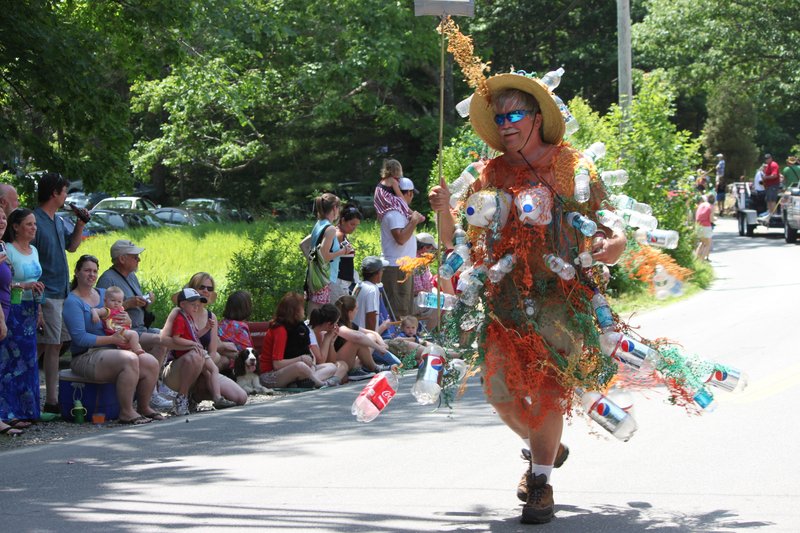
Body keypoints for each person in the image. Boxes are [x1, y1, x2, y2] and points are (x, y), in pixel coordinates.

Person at [429, 70, 627, 524]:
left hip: (561, 296)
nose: (506, 124)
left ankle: (539, 485)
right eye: (499, 118)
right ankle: (548, 448)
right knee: (498, 392)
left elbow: (611, 225)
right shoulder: (488, 173)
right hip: (504, 301)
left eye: (514, 114)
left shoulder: (573, 166)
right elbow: (457, 242)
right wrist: (443, 212)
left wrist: (612, 246)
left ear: (537, 118)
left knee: (548, 388)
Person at [62, 255, 163, 424]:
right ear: (77, 272)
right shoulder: (73, 302)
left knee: (150, 361)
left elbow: (121, 313)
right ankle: (126, 412)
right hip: (87, 355)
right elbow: (80, 338)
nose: (91, 274)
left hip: (114, 349)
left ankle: (144, 407)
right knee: (129, 359)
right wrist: (113, 339)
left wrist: (127, 320)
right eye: (87, 270)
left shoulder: (104, 294)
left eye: (94, 271)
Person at [96, 239, 173, 412]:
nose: (139, 260)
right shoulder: (107, 279)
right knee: (161, 341)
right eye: (135, 257)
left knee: (165, 337)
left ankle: (152, 386)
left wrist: (146, 301)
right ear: (122, 259)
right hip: (124, 331)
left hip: (140, 328)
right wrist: (128, 304)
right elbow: (104, 310)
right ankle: (151, 392)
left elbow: (135, 302)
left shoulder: (131, 276)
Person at [33, 172, 88, 415]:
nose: (67, 196)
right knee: (50, 344)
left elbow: (72, 246)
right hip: (47, 292)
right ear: (54, 193)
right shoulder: (34, 220)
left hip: (63, 291)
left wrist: (80, 223)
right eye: (64, 191)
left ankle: (48, 396)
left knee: (56, 343)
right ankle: (50, 400)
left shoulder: (57, 220)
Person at [161, 273, 247, 411]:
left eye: (210, 288)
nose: (206, 291)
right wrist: (191, 346)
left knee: (240, 397)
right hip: (178, 368)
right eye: (202, 287)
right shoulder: (179, 312)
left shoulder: (210, 316)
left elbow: (213, 352)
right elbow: (163, 340)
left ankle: (195, 397)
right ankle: (181, 399)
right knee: (195, 355)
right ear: (193, 289)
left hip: (202, 365)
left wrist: (203, 365)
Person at [2, 209, 45, 423]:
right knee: (12, 361)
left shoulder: (34, 251)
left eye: (34, 224)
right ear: (16, 226)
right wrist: (23, 285)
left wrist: (39, 309)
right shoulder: (7, 249)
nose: (33, 228)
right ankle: (10, 412)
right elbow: (4, 283)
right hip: (13, 309)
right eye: (28, 224)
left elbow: (36, 278)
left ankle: (29, 410)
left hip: (30, 308)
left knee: (29, 360)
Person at [258, 292, 340, 389]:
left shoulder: (298, 327)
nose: (303, 311)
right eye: (301, 307)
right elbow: (277, 364)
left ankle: (301, 383)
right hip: (270, 376)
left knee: (331, 366)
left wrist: (312, 364)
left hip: (294, 371)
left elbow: (309, 353)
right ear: (295, 311)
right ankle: (322, 384)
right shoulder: (280, 330)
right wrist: (300, 359)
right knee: (300, 366)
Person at [380, 177, 425, 319]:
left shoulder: (400, 211)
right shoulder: (395, 215)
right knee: (399, 310)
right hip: (396, 268)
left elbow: (422, 218)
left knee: (404, 307)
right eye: (411, 194)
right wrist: (413, 222)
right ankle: (397, 339)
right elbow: (400, 239)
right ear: (409, 193)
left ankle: (403, 337)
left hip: (402, 267)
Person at [307, 193, 353, 313]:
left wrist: (312, 262)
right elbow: (324, 256)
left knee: (315, 314)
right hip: (325, 278)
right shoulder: (330, 229)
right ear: (334, 208)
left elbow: (304, 244)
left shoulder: (319, 224)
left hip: (316, 276)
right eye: (339, 208)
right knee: (320, 316)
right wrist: (343, 251)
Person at [331, 295, 394, 380]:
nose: (357, 311)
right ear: (350, 312)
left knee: (370, 337)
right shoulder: (338, 325)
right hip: (336, 362)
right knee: (356, 341)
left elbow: (373, 333)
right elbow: (357, 337)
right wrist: (379, 348)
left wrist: (382, 345)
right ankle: (375, 368)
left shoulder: (350, 324)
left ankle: (358, 368)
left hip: (347, 359)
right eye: (356, 309)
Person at [94, 286, 145, 355]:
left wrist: (129, 322)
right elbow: (96, 310)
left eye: (119, 301)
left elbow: (128, 322)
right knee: (134, 334)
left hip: (123, 332)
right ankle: (137, 350)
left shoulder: (120, 309)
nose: (116, 303)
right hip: (116, 333)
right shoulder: (107, 310)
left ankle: (137, 350)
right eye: (113, 300)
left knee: (136, 342)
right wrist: (95, 314)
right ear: (105, 301)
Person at [331, 204, 363, 302]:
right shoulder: (338, 235)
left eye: (356, 225)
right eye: (352, 224)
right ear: (343, 220)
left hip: (344, 281)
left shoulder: (342, 234)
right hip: (338, 282)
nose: (354, 228)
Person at [218, 290, 255, 360]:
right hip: (236, 365)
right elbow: (249, 354)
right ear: (246, 308)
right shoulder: (240, 327)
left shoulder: (221, 324)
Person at [695, 193, 715, 261]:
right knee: (707, 244)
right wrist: (715, 219)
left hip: (698, 225)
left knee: (702, 242)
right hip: (706, 226)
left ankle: (696, 258)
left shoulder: (701, 205)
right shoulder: (711, 206)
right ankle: (702, 260)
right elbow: (711, 219)